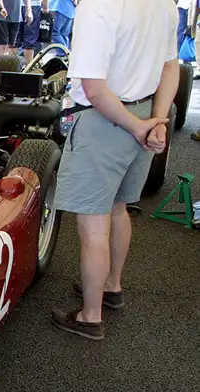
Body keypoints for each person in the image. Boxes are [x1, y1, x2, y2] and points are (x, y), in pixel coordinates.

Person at [50, 0, 178, 340]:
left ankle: (90, 317)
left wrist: (139, 127)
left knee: (94, 224)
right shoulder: (164, 3)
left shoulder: (98, 5)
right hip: (144, 112)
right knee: (118, 208)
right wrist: (156, 121)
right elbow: (170, 66)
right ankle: (111, 286)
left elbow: (94, 88)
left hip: (105, 121)